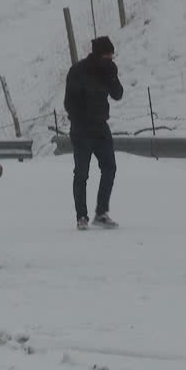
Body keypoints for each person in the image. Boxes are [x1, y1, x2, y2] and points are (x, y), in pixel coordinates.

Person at [64, 36, 124, 230]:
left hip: (101, 127)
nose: (111, 59)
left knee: (110, 168)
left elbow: (118, 94)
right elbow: (69, 103)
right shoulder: (78, 71)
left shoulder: (108, 71)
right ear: (100, 54)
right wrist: (81, 118)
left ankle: (101, 212)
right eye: (108, 55)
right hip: (81, 129)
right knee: (81, 173)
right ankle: (81, 216)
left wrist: (113, 76)